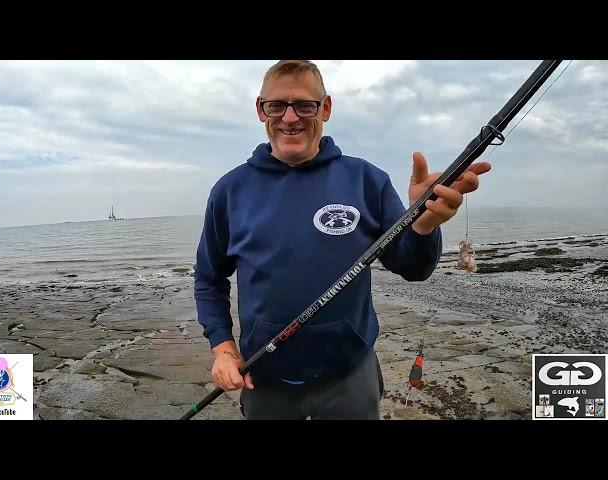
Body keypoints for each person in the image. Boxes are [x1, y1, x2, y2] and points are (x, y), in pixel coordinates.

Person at [193, 60, 491, 419]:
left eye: (305, 105)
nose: (290, 118)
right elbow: (209, 278)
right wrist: (222, 347)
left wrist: (424, 223)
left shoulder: (366, 181)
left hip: (350, 374)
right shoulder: (230, 191)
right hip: (265, 378)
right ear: (261, 110)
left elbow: (412, 268)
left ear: (326, 108)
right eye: (277, 105)